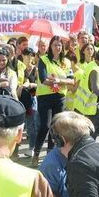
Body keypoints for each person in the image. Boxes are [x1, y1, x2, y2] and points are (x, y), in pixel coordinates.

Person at [33, 36, 74, 167]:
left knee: (56, 127)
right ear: (50, 46)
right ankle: (36, 152)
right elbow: (44, 79)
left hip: (59, 96)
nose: (58, 47)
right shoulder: (44, 60)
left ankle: (50, 154)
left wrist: (59, 82)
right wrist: (56, 82)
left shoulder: (66, 62)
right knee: (45, 125)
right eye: (55, 45)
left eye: (60, 45)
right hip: (45, 96)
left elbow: (71, 80)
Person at [74, 50, 99, 139]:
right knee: (89, 136)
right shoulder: (95, 70)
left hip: (80, 106)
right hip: (88, 109)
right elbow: (96, 89)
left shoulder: (92, 65)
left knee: (80, 136)